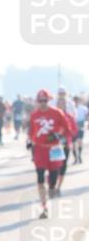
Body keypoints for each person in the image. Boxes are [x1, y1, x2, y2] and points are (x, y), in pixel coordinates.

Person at [27, 88, 75, 218]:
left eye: (45, 100)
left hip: (54, 149)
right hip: (40, 149)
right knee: (40, 176)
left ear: (48, 100)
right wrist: (29, 140)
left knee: (53, 180)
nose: (43, 102)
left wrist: (58, 134)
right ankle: (44, 207)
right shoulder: (34, 115)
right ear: (38, 101)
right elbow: (31, 131)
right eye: (40, 100)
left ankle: (52, 188)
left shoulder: (57, 113)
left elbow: (68, 129)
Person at [55, 88, 78, 194]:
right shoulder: (52, 117)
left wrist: (68, 137)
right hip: (54, 146)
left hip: (65, 145)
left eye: (62, 103)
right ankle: (53, 184)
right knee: (54, 166)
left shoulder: (69, 117)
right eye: (59, 103)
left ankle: (58, 187)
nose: (61, 105)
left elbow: (74, 130)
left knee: (63, 166)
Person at [73, 95, 87, 164]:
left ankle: (80, 156)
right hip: (73, 125)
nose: (76, 101)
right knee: (73, 143)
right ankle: (76, 158)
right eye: (75, 100)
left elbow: (87, 115)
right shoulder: (71, 107)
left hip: (80, 124)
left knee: (79, 141)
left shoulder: (83, 108)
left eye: (77, 100)